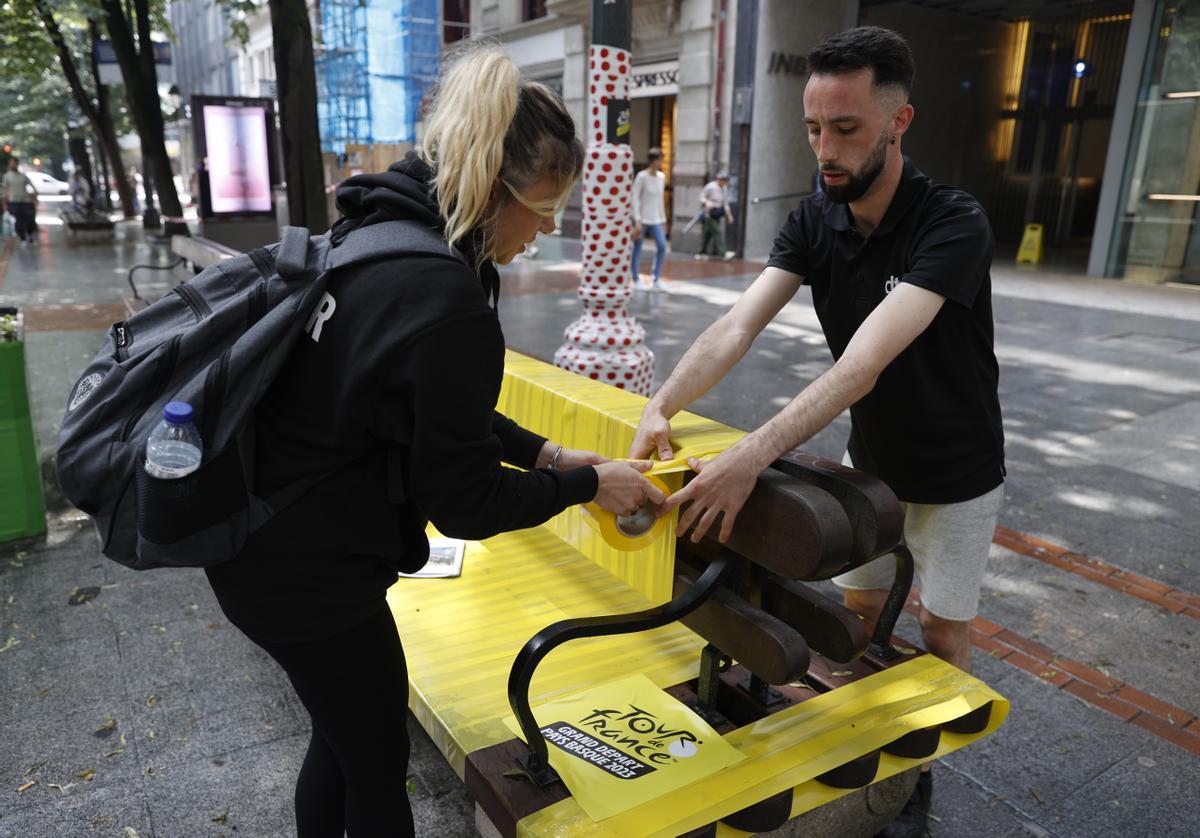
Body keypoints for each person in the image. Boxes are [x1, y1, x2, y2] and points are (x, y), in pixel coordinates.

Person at [205, 43, 664, 837]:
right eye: (546, 213)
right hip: (309, 576)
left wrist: (550, 456)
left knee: (341, 736)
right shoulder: (443, 296)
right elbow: (465, 503)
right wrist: (590, 487)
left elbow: (421, 408)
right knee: (377, 768)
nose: (543, 235)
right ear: (497, 189)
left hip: (254, 540)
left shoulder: (379, 236)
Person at [631, 26, 1003, 838]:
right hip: (872, 461)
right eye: (811, 127)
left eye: (846, 129)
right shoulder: (816, 214)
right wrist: (660, 402)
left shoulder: (952, 223)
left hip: (959, 470)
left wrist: (747, 456)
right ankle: (858, 757)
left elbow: (861, 365)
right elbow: (736, 326)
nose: (824, 149)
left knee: (942, 627)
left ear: (900, 121)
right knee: (856, 614)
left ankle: (916, 780)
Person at [630, 147, 669, 290]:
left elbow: (660, 200)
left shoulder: (661, 177)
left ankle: (656, 278)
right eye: (659, 160)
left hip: (656, 219)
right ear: (653, 161)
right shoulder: (641, 176)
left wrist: (663, 220)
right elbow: (635, 198)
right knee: (637, 248)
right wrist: (637, 219)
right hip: (642, 219)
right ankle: (635, 278)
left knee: (662, 246)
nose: (661, 162)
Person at [697, 170, 734, 260]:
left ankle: (701, 252)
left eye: (725, 180)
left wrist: (729, 215)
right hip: (709, 213)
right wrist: (707, 202)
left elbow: (725, 203)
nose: (724, 182)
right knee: (717, 231)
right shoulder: (711, 186)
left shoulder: (724, 188)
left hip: (718, 213)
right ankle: (724, 252)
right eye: (723, 180)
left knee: (708, 234)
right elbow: (701, 196)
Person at [2, 157, 37, 245]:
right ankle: (22, 238)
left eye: (13, 163)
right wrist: (4, 203)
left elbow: (32, 188)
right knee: (19, 221)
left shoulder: (23, 176)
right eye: (10, 163)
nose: (12, 165)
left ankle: (30, 234)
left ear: (17, 164)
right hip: (14, 201)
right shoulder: (7, 176)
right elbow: (5, 190)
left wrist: (34, 198)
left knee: (30, 220)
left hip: (26, 201)